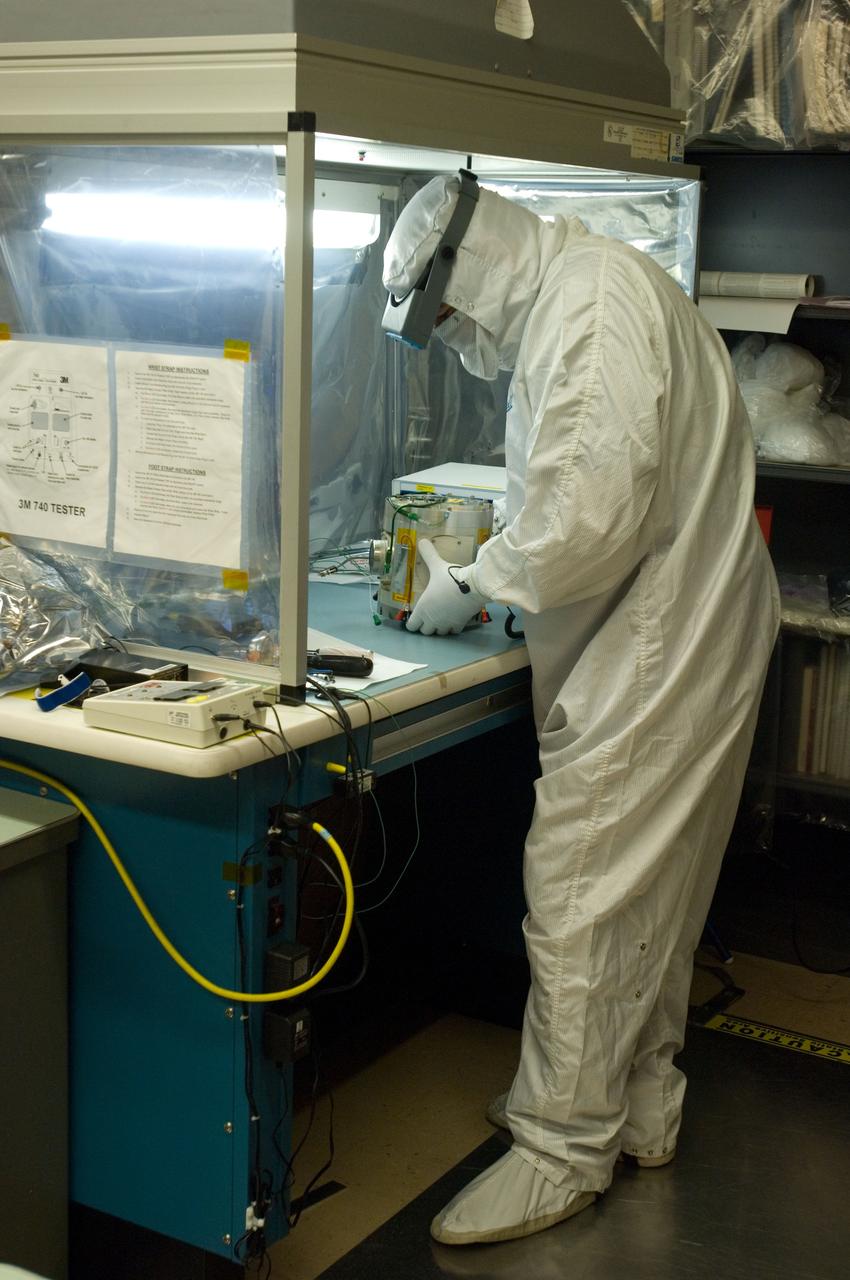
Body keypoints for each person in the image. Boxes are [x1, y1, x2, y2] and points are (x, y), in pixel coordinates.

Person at [381, 174, 779, 1247]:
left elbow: (583, 519)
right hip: (682, 625)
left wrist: (479, 579)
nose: (459, 339)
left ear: (476, 269)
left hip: (656, 647)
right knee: (650, 890)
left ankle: (560, 1148)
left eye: (451, 315)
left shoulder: (590, 311)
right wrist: (505, 573)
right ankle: (636, 1102)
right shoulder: (587, 289)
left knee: (585, 888)